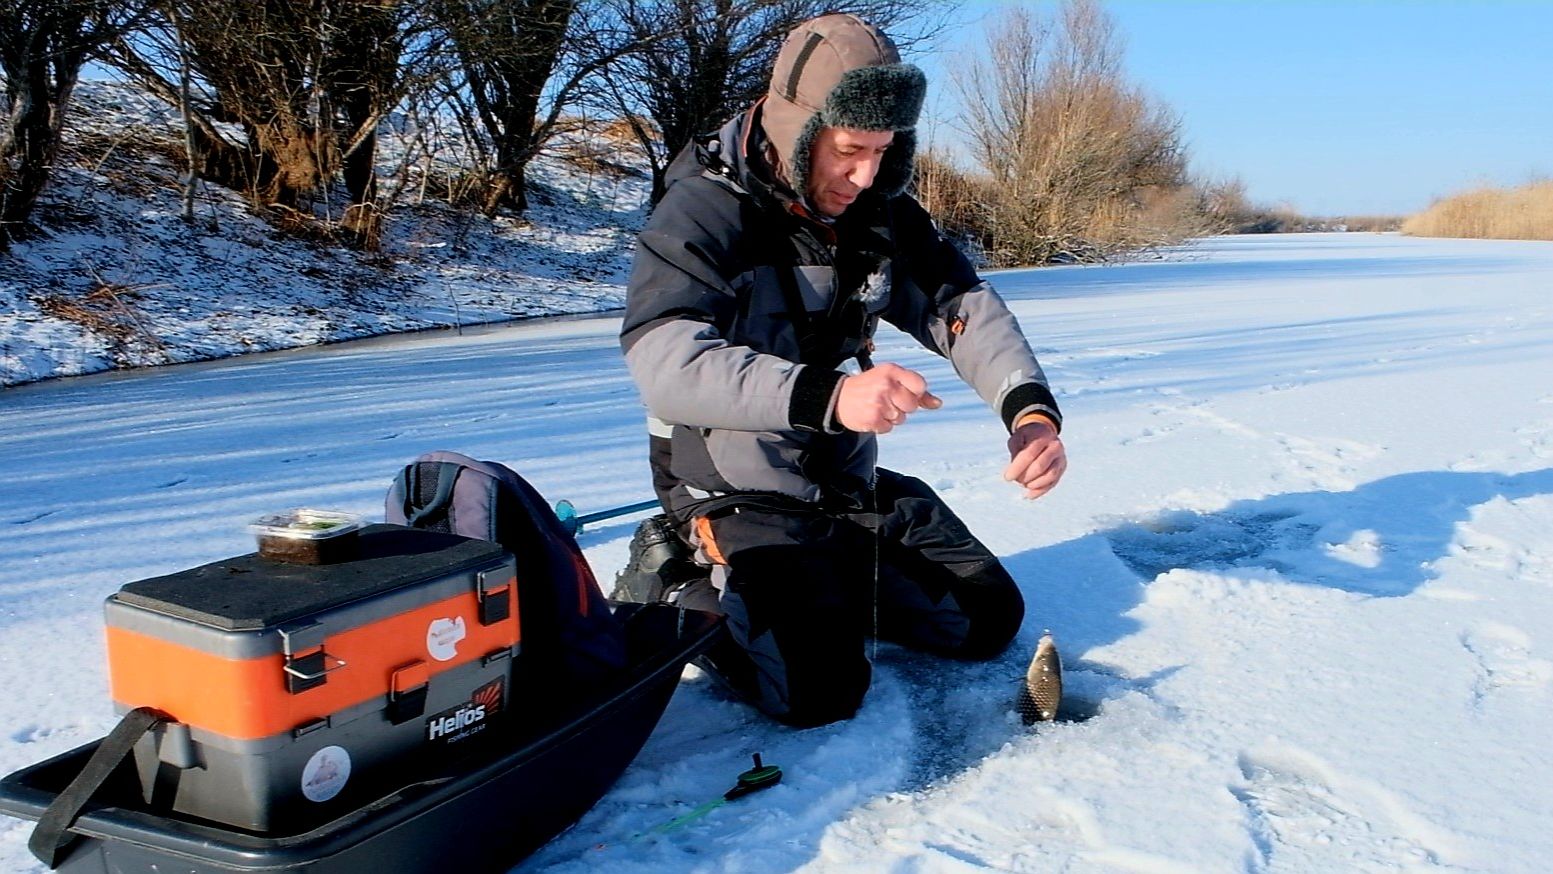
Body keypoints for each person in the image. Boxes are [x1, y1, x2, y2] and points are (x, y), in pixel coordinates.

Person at [618, 13, 1066, 727]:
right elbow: (664, 363)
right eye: (849, 150)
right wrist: (831, 395)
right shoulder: (701, 211)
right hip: (733, 485)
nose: (864, 176)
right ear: (796, 128)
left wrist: (1028, 413)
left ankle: (818, 579)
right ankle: (671, 576)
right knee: (818, 693)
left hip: (842, 481)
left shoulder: (877, 208)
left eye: (883, 151)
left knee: (985, 619)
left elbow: (959, 305)